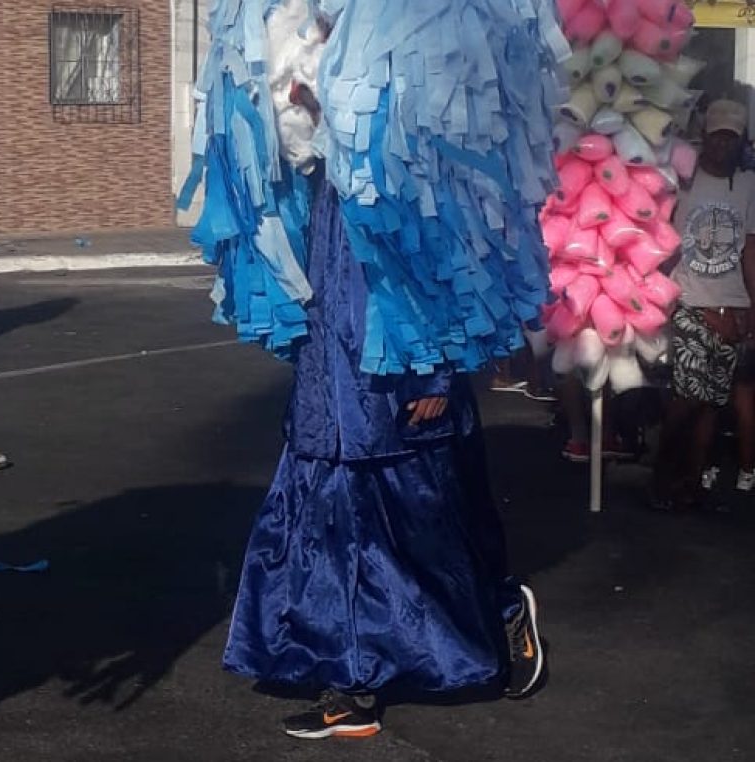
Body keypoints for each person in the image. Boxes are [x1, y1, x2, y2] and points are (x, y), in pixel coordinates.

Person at [183, 0, 562, 738]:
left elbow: (449, 256)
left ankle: (501, 614)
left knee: (424, 515)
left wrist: (434, 375)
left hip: (404, 369)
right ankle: (349, 682)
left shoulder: (415, 148)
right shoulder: (333, 164)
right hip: (332, 371)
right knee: (326, 508)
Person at [651, 99, 755, 510]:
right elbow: (662, 239)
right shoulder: (684, 180)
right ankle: (663, 474)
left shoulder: (748, 185)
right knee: (688, 396)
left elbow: (750, 250)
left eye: (732, 139)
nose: (723, 146)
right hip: (689, 301)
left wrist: (752, 307)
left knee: (711, 403)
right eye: (717, 138)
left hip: (734, 305)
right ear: (704, 137)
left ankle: (691, 483)